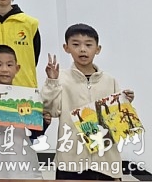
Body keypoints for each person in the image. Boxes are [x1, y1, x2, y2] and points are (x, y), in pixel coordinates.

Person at [42, 24, 134, 181]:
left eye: (88, 45)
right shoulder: (60, 78)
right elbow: (51, 110)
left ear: (98, 49)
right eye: (76, 44)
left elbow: (118, 123)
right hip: (71, 160)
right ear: (66, 48)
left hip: (106, 162)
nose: (82, 49)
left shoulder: (109, 81)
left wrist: (125, 103)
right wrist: (52, 82)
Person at [0, 45, 50, 179]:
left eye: (9, 65)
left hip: (26, 163)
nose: (4, 69)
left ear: (17, 68)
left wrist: (45, 122)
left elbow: (35, 133)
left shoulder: (28, 98)